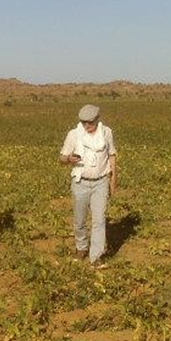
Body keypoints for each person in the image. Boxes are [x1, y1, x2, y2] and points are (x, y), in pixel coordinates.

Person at [59, 104, 117, 265]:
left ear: (97, 119)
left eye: (90, 122)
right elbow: (62, 158)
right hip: (80, 183)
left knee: (99, 220)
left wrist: (113, 181)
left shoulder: (106, 133)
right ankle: (81, 247)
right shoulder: (74, 135)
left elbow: (112, 156)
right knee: (80, 219)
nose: (87, 126)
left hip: (101, 182)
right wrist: (69, 159)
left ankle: (96, 256)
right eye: (83, 122)